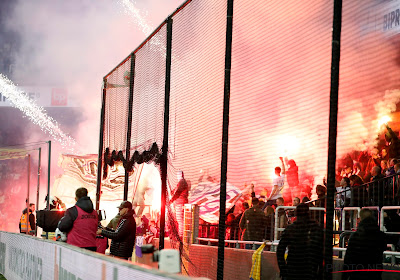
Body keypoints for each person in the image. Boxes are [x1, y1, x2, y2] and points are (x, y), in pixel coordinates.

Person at [277, 203, 323, 280]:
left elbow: (280, 251)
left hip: (292, 270)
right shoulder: (315, 229)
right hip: (310, 270)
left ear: (296, 213)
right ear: (308, 213)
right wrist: (320, 271)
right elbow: (321, 252)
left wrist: (283, 270)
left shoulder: (290, 229)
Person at [342, 209, 386, 280]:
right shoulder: (380, 235)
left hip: (357, 273)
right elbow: (383, 248)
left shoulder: (355, 236)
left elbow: (348, 258)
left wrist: (344, 276)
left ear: (360, 218)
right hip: (374, 272)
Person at [170, 170, 189, 237]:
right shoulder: (181, 182)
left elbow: (177, 192)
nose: (177, 176)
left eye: (178, 175)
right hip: (180, 203)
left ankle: (181, 235)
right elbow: (175, 190)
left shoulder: (182, 182)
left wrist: (171, 200)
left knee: (180, 219)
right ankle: (181, 234)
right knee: (180, 219)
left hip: (180, 203)